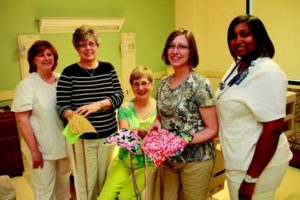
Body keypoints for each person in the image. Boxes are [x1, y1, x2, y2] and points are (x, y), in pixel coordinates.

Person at [216, 15, 293, 200]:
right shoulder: (238, 65)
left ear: (259, 36)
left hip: (256, 166)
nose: (238, 40)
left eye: (245, 34)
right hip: (239, 157)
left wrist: (250, 180)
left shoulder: (268, 72)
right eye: (233, 36)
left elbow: (273, 129)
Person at [149, 29, 218, 200]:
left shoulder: (200, 84)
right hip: (168, 160)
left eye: (181, 46)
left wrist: (182, 139)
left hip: (196, 161)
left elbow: (212, 129)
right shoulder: (163, 83)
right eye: (171, 46)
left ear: (191, 51)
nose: (175, 51)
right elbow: (161, 114)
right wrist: (156, 122)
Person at [56, 25, 124, 200]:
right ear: (76, 48)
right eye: (82, 44)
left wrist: (98, 105)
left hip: (108, 136)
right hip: (82, 138)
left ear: (97, 46)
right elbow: (61, 106)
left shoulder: (108, 68)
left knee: (105, 179)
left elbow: (119, 96)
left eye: (91, 43)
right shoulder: (69, 73)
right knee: (86, 183)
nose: (88, 48)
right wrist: (71, 115)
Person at [11, 40, 71, 200]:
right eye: (40, 55)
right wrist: (34, 152)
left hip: (64, 145)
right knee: (45, 192)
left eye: (49, 54)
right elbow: (22, 121)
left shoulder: (62, 80)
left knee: (64, 188)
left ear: (55, 57)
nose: (46, 58)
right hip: (41, 149)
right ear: (33, 60)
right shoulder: (27, 85)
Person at [98, 66, 156, 200]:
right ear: (131, 87)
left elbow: (160, 140)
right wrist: (137, 135)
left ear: (151, 84)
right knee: (104, 198)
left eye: (144, 83)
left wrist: (142, 137)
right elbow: (125, 137)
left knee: (125, 196)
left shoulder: (159, 109)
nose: (140, 88)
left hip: (147, 164)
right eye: (136, 84)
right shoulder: (125, 108)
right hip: (124, 161)